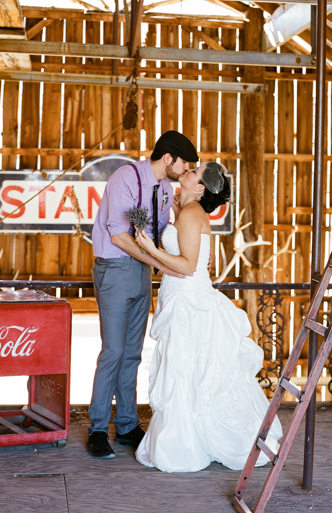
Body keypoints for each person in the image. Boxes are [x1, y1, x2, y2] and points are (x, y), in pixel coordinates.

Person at [134, 162, 283, 472]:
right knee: (190, 371)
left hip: (190, 301)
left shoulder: (191, 215)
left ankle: (191, 444)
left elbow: (187, 266)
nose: (186, 171)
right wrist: (175, 214)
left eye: (193, 173)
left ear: (200, 188)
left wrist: (149, 248)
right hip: (186, 296)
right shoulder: (188, 212)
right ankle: (195, 439)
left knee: (189, 369)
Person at [87, 131, 199, 460]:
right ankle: (96, 429)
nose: (186, 169)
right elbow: (119, 235)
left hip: (141, 273)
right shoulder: (126, 177)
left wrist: (193, 248)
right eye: (185, 164)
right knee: (114, 351)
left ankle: (125, 425)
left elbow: (160, 235)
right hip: (117, 268)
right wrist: (156, 263)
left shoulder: (164, 189)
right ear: (169, 159)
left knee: (133, 353)